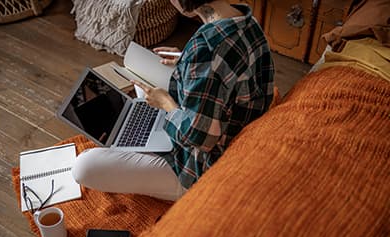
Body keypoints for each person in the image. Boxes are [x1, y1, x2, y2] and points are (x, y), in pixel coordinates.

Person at [72, 0, 275, 201]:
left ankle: (146, 141)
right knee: (142, 83)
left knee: (83, 167)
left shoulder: (206, 49)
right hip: (225, 120)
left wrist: (166, 104)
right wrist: (185, 60)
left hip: (202, 168)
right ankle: (144, 132)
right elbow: (229, 65)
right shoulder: (244, 17)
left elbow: (200, 138)